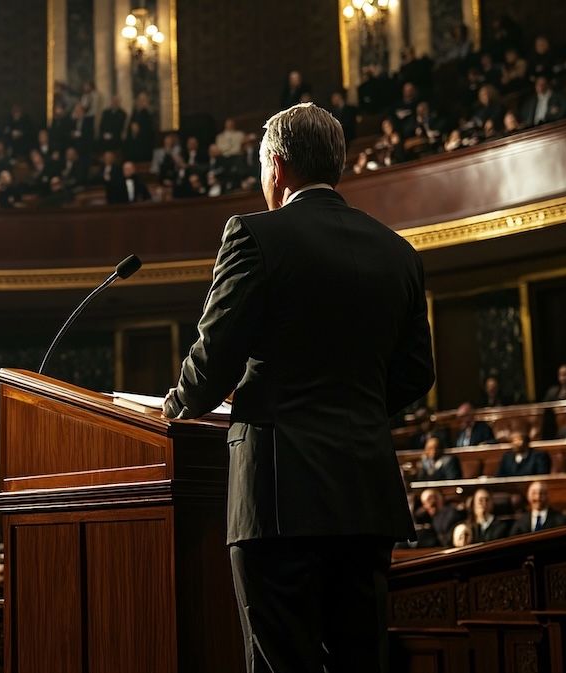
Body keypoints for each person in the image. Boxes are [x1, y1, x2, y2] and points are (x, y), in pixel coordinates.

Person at [162, 103, 433, 671]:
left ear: (277, 167)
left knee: (283, 662)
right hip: (365, 495)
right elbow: (416, 373)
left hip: (278, 496)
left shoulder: (255, 236)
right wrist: (350, 403)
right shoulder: (398, 252)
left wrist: (173, 405)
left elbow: (211, 363)